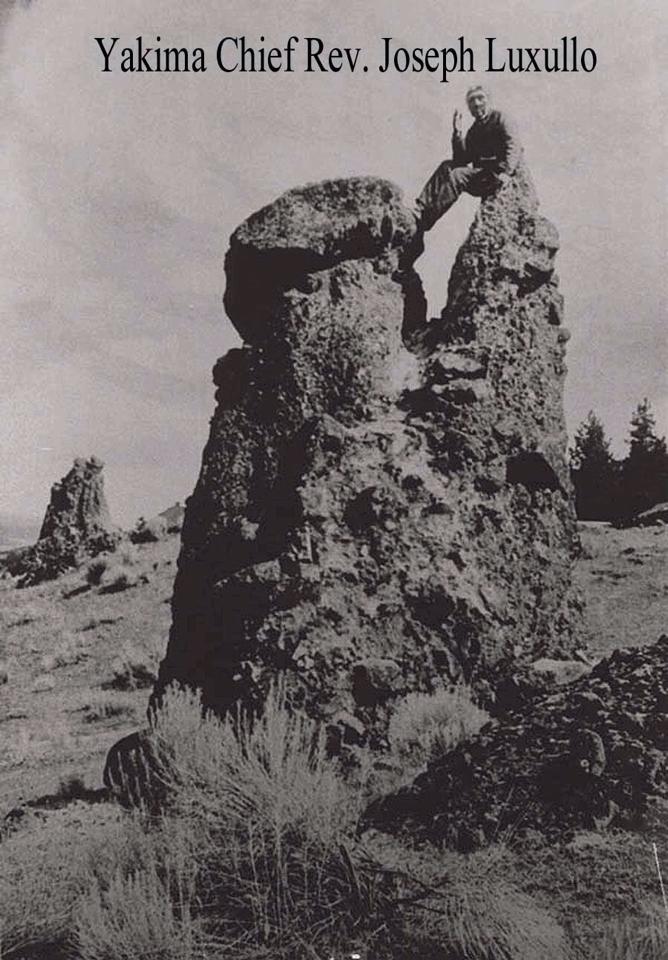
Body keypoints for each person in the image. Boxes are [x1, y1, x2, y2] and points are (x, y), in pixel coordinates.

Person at [415, 86, 522, 231]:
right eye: (472, 100)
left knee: (457, 175)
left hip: (498, 176)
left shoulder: (500, 118)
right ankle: (420, 208)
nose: (477, 103)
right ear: (469, 107)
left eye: (480, 98)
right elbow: (461, 160)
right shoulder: (474, 130)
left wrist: (507, 172)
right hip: (481, 176)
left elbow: (513, 145)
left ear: (489, 100)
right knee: (447, 166)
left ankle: (426, 220)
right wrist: (457, 132)